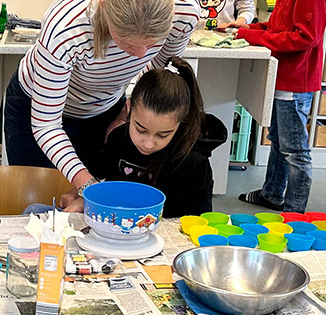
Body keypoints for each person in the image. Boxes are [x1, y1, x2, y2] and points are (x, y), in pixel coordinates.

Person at [3, 0, 201, 209]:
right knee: (39, 203)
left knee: (80, 208)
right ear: (106, 11)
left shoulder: (184, 13)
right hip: (39, 110)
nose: (140, 55)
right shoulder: (66, 28)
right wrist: (87, 184)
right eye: (128, 43)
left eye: (151, 44)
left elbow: (155, 69)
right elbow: (46, 126)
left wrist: (129, 110)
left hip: (105, 107)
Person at [230, 0, 326, 213]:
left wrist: (252, 37)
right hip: (282, 76)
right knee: (279, 142)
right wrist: (248, 27)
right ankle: (273, 193)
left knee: (295, 150)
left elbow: (303, 38)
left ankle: (295, 210)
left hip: (295, 81)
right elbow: (281, 26)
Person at [95, 57, 227, 216]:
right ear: (129, 108)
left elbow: (200, 218)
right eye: (140, 129)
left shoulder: (193, 161)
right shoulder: (117, 139)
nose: (148, 144)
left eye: (163, 135)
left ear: (181, 120)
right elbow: (102, 186)